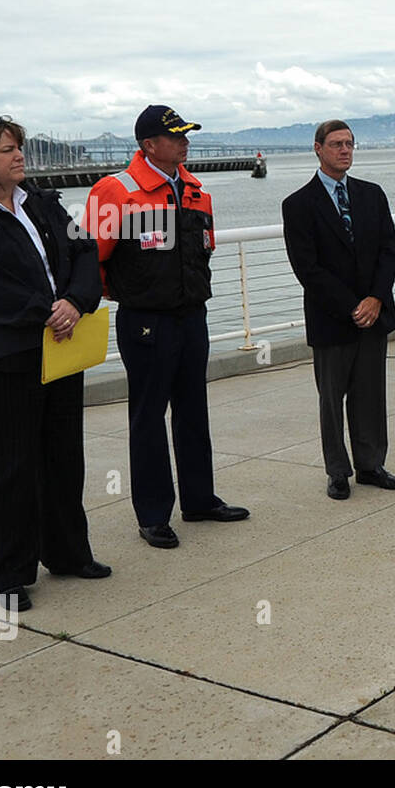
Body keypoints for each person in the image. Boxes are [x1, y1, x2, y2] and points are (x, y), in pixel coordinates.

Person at [0, 116, 110, 610]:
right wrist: (44, 311)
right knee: (9, 465)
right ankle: (8, 573)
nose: (18, 157)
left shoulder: (44, 202)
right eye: (7, 150)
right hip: (3, 357)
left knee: (63, 455)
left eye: (19, 148)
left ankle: (68, 553)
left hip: (61, 348)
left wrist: (75, 300)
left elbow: (84, 250)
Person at [85, 105, 248, 549]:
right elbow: (90, 258)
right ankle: (154, 514)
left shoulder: (195, 189)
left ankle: (200, 500)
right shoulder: (115, 191)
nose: (184, 142)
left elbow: (204, 249)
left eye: (186, 134)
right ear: (148, 145)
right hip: (146, 321)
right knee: (149, 416)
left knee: (194, 409)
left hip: (192, 315)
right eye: (175, 136)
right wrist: (126, 294)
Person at [282, 119, 395, 498]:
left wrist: (375, 299)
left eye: (349, 143)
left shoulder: (372, 194)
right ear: (318, 149)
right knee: (331, 399)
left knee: (370, 395)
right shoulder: (298, 204)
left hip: (373, 313)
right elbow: (308, 268)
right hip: (331, 317)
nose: (345, 150)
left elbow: (388, 249)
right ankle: (338, 471)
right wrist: (352, 306)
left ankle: (371, 465)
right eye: (336, 144)